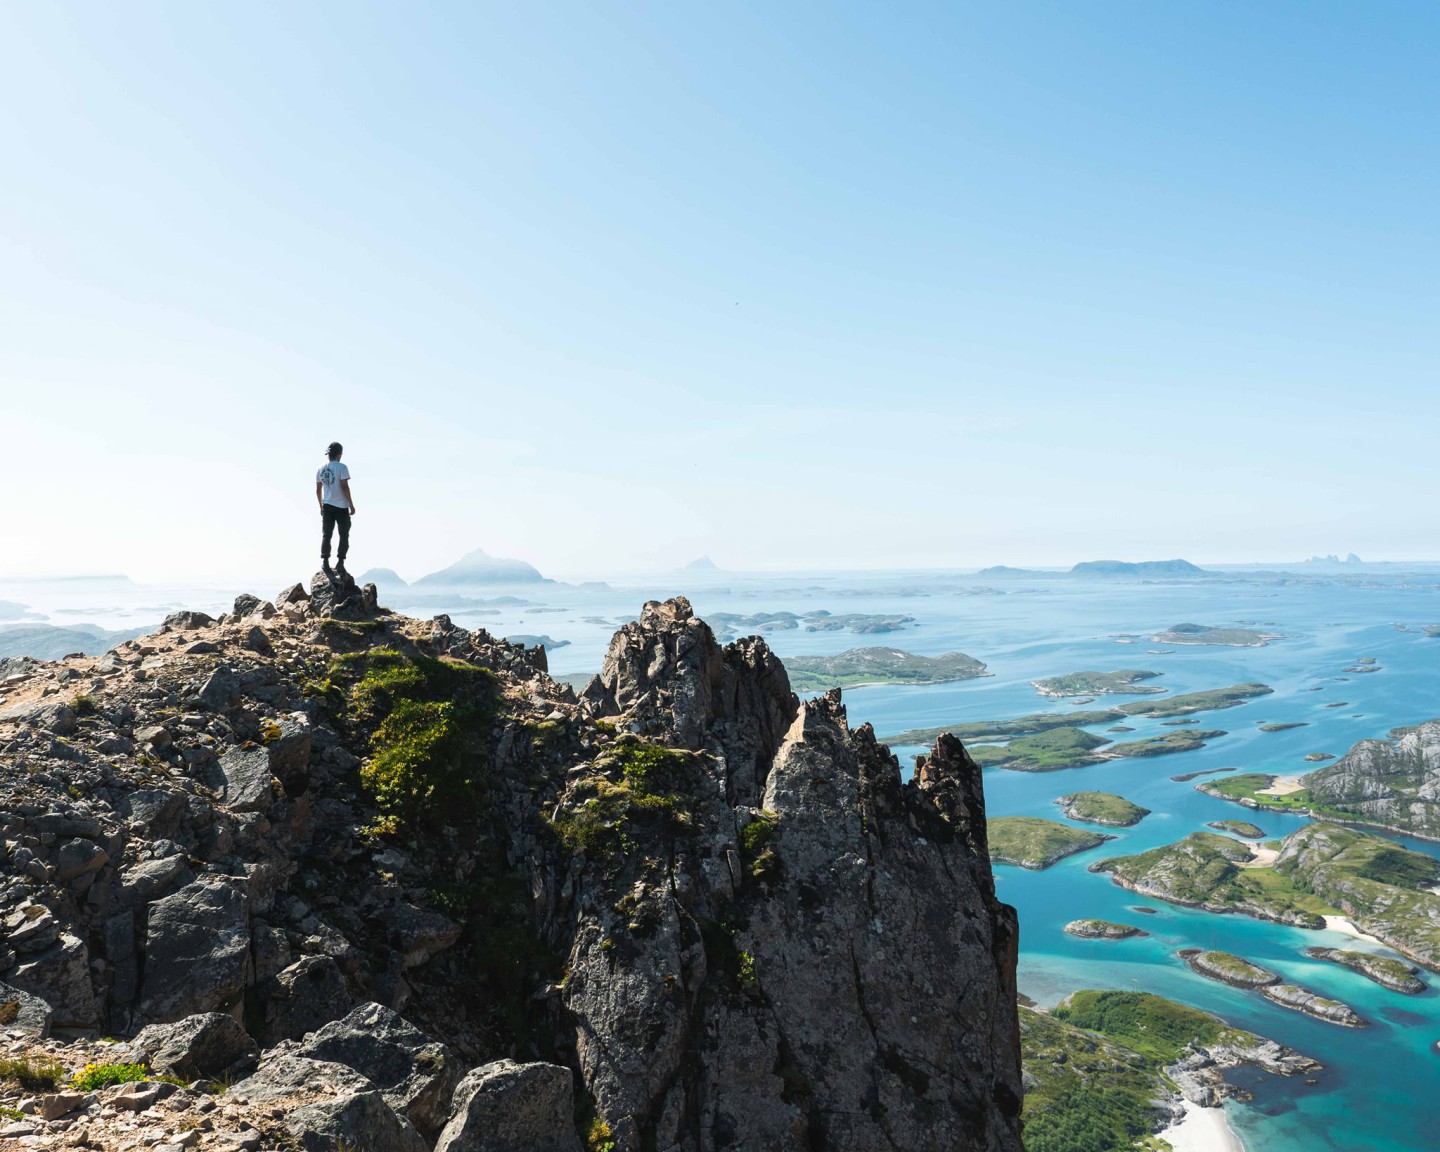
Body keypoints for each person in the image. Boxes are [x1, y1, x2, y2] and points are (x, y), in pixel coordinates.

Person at [316, 442, 356, 574]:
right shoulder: (342, 467)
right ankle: (340, 562)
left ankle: (325, 562)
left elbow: (318, 490)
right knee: (343, 535)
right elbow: (344, 486)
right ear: (339, 454)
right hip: (341, 506)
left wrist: (321, 506)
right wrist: (351, 504)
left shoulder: (321, 468)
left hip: (327, 505)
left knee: (327, 535)